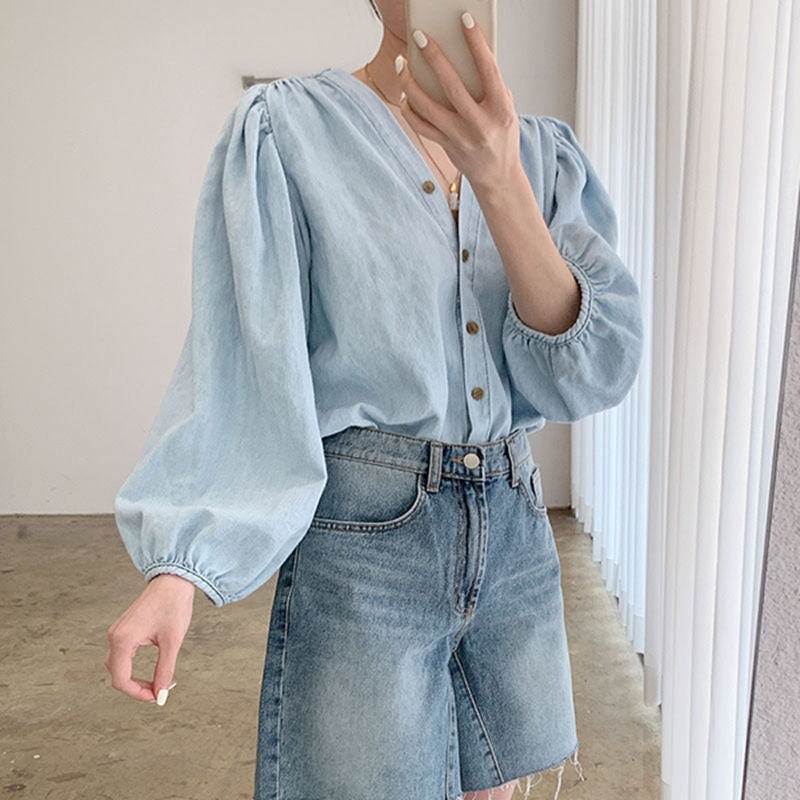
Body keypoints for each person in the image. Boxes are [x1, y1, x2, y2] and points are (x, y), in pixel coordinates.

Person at [106, 2, 644, 799]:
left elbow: (589, 371)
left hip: (514, 533)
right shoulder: (288, 132)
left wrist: (498, 175)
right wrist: (181, 565)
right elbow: (248, 362)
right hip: (367, 545)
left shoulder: (544, 157)